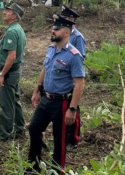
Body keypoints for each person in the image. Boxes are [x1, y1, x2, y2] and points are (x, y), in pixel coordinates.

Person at [27, 15, 85, 174]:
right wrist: (36, 90)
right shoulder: (51, 49)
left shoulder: (74, 55)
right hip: (46, 99)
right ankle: (33, 166)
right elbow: (45, 69)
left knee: (59, 140)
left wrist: (72, 109)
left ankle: (57, 170)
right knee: (34, 128)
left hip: (62, 103)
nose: (53, 31)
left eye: (57, 29)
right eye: (53, 28)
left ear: (66, 32)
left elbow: (79, 83)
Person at [0, 3, 27, 142]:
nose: (5, 12)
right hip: (15, 71)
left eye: (8, 11)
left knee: (6, 105)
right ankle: (20, 129)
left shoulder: (11, 32)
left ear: (14, 15)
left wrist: (2, 75)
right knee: (14, 101)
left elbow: (11, 56)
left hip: (9, 73)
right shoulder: (18, 29)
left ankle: (4, 137)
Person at [60, 5, 86, 149]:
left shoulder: (77, 37)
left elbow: (80, 59)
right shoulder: (61, 34)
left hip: (72, 77)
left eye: (65, 18)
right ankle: (64, 136)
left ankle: (73, 139)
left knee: (73, 106)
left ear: (71, 19)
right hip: (61, 77)